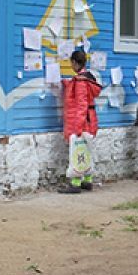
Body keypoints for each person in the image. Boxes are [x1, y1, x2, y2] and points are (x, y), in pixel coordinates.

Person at [59, 49, 102, 194]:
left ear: (74, 62)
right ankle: (87, 180)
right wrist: (68, 84)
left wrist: (77, 127)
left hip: (81, 121)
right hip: (90, 119)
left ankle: (75, 183)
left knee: (77, 150)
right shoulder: (88, 78)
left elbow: (81, 103)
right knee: (87, 149)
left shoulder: (80, 81)